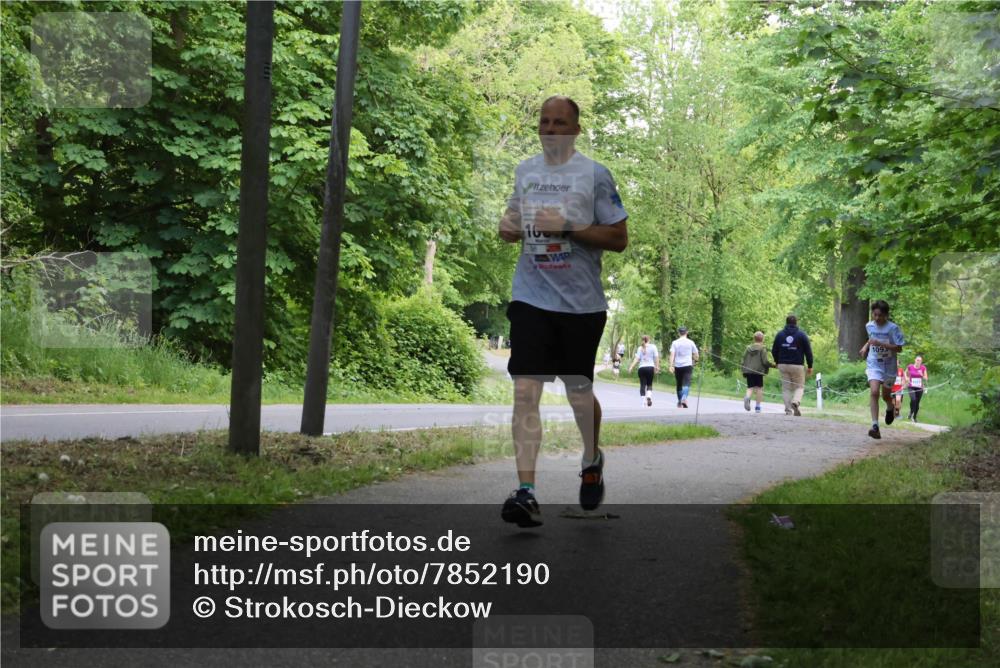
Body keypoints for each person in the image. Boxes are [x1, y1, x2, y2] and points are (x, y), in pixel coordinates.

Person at [497, 96, 629, 527]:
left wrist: (569, 226)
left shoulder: (595, 175)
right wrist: (509, 226)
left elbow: (618, 237)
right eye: (544, 122)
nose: (551, 129)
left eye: (560, 123)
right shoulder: (525, 171)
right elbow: (509, 223)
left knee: (577, 393)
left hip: (580, 303)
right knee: (525, 389)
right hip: (531, 297)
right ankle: (526, 492)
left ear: (575, 129)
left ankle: (591, 459)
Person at [859, 300, 906, 439]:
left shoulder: (893, 328)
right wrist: (865, 347)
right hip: (874, 363)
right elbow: (871, 338)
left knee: (886, 395)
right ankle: (875, 426)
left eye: (880, 315)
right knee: (874, 392)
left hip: (889, 365)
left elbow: (899, 348)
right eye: (875, 315)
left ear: (886, 315)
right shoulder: (869, 325)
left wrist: (881, 344)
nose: (877, 318)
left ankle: (890, 408)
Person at [771, 314, 814, 416]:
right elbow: (808, 352)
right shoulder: (802, 335)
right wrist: (810, 365)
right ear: (796, 323)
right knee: (799, 387)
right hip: (797, 365)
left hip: (783, 364)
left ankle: (788, 410)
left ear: (786, 323)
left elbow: (774, 350)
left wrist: (777, 361)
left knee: (786, 388)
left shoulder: (780, 335)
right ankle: (795, 401)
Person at [740, 331, 773, 414]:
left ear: (754, 339)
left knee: (750, 387)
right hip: (758, 371)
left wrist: (743, 369)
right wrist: (773, 365)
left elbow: (743, 359)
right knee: (759, 388)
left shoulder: (748, 348)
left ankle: (747, 397)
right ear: (762, 339)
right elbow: (765, 361)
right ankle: (757, 407)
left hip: (749, 371)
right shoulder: (762, 349)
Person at [668, 326, 699, 408]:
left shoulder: (675, 342)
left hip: (678, 366)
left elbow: (672, 354)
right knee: (686, 383)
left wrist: (671, 365)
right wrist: (695, 361)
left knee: (679, 384)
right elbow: (696, 354)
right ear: (686, 332)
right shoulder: (691, 342)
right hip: (688, 365)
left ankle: (679, 402)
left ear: (679, 333)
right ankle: (684, 398)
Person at [628, 335, 660, 407]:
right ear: (649, 340)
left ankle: (643, 402)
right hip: (650, 368)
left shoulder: (640, 348)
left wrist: (631, 367)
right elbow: (656, 358)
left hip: (641, 368)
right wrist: (657, 367)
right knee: (649, 384)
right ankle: (648, 396)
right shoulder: (653, 347)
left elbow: (636, 359)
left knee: (642, 384)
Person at [905, 355, 928, 422]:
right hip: (911, 386)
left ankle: (914, 417)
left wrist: (922, 374)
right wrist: (906, 378)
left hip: (919, 387)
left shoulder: (923, 368)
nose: (918, 362)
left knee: (917, 403)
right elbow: (905, 373)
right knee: (913, 399)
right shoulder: (910, 366)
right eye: (917, 360)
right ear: (915, 360)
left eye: (920, 361)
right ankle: (911, 412)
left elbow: (926, 378)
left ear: (921, 362)